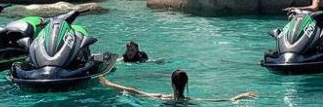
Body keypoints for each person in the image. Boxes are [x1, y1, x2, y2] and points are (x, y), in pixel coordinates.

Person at [100, 69, 257, 102]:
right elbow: (219, 101)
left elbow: (134, 91)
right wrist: (238, 96)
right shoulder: (189, 101)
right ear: (186, 83)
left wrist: (109, 83)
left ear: (171, 82)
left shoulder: (162, 98)